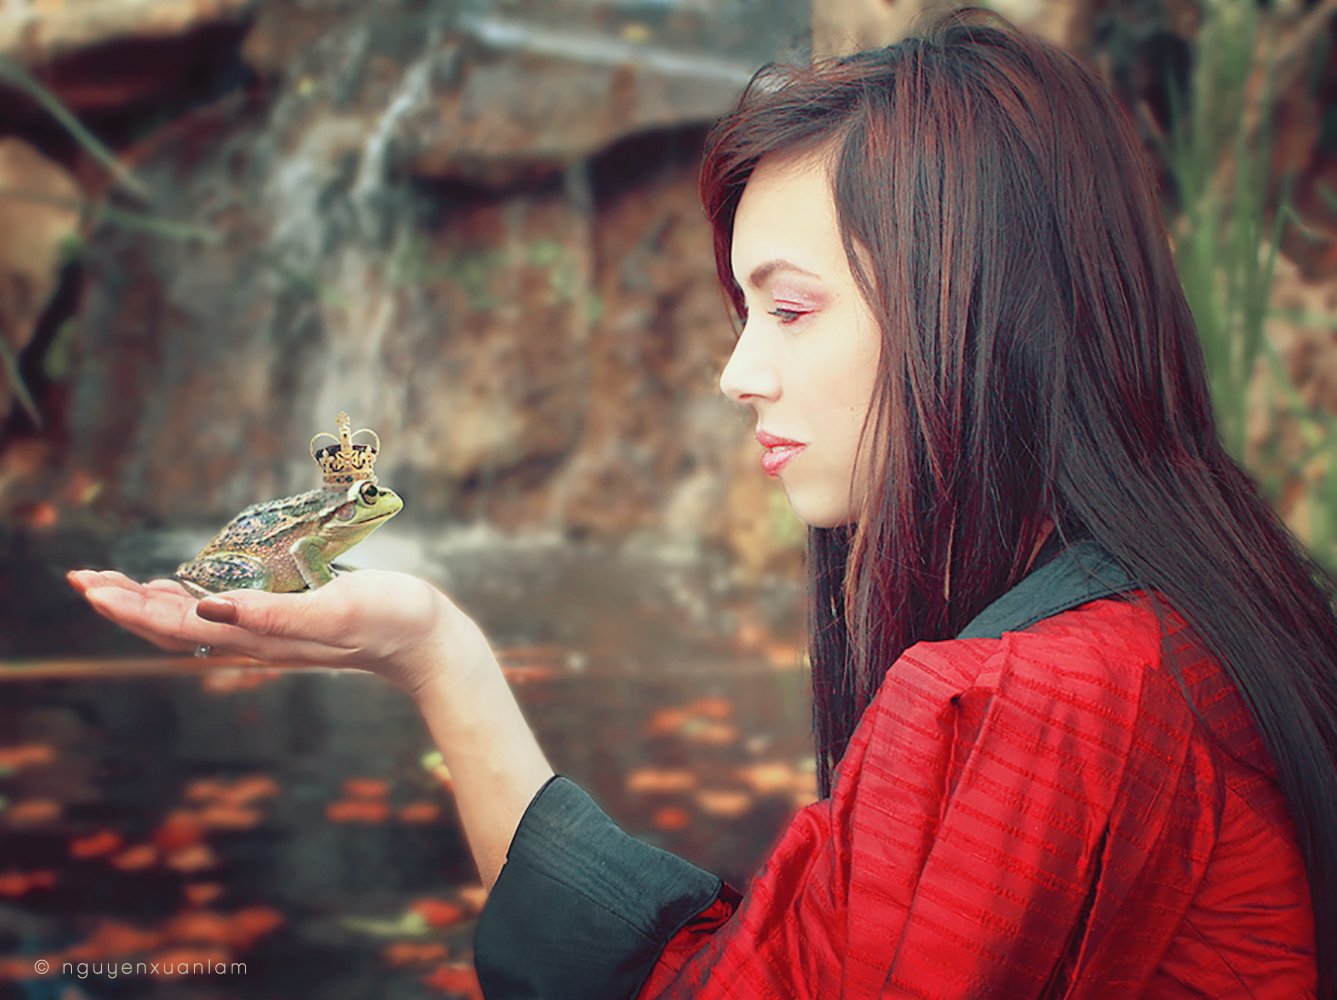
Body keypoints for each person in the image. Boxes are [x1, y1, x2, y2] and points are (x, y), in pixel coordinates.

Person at [68, 6, 1336, 998]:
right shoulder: (1192, 622)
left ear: (981, 306)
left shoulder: (1020, 706)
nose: (738, 373)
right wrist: (434, 653)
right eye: (744, 316)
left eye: (789, 308)